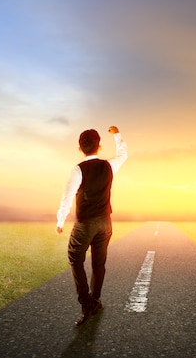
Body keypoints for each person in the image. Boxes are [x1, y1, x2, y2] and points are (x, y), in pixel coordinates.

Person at [56, 125, 128, 326]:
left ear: (80, 148)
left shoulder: (78, 170)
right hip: (106, 222)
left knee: (75, 258)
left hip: (85, 224)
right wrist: (117, 135)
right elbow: (123, 154)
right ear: (99, 146)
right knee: (99, 263)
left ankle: (86, 303)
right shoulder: (109, 166)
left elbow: (67, 197)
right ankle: (94, 300)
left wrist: (60, 221)